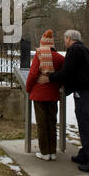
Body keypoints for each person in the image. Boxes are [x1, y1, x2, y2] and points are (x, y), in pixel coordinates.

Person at [39, 30, 89, 174]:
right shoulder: (84, 50)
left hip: (84, 92)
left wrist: (49, 79)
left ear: (69, 38)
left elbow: (67, 71)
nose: (65, 41)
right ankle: (85, 154)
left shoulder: (74, 50)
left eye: (65, 38)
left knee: (86, 126)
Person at [26, 29, 65, 161]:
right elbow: (62, 76)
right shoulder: (60, 58)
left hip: (39, 95)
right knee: (52, 123)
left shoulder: (39, 55)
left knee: (42, 123)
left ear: (43, 43)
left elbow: (32, 75)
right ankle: (53, 152)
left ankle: (44, 152)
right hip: (53, 94)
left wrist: (28, 88)